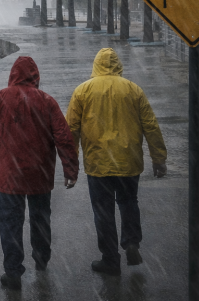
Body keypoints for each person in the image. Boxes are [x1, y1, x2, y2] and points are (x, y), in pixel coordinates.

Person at [0, 56, 79, 290]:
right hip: (39, 173)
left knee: (10, 223)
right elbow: (63, 137)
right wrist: (70, 169)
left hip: (10, 175)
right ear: (35, 76)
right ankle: (41, 259)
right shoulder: (47, 101)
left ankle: (13, 272)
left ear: (12, 75)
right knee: (40, 218)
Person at [66, 47, 168, 276]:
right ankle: (131, 242)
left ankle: (110, 259)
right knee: (129, 202)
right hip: (128, 161)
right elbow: (150, 125)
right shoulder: (133, 89)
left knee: (103, 211)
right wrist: (159, 158)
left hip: (98, 163)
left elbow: (71, 129)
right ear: (118, 65)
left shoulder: (83, 90)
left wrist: (70, 162)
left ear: (96, 65)